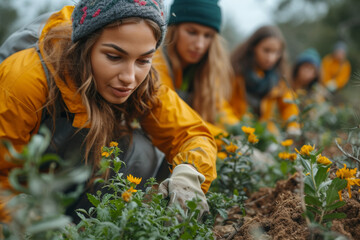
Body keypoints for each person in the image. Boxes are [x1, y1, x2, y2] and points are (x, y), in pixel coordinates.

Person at [0, 0, 216, 222]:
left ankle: (92, 224)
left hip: (72, 185)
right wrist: (29, 223)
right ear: (85, 44)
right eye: (114, 57)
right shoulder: (25, 79)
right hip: (26, 197)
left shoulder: (144, 83)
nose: (129, 78)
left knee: (142, 151)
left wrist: (189, 176)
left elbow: (192, 133)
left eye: (143, 60)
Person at [152, 0, 239, 137]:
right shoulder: (154, 61)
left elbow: (220, 110)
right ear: (174, 28)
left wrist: (240, 133)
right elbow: (167, 113)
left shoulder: (207, 70)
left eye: (208, 36)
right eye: (192, 32)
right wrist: (226, 140)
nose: (199, 44)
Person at [230, 25, 300, 136]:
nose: (271, 58)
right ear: (253, 47)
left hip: (265, 134)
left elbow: (289, 105)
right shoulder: (235, 71)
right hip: (236, 131)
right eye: (266, 50)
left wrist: (292, 125)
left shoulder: (279, 78)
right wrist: (234, 127)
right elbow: (222, 104)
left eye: (276, 52)